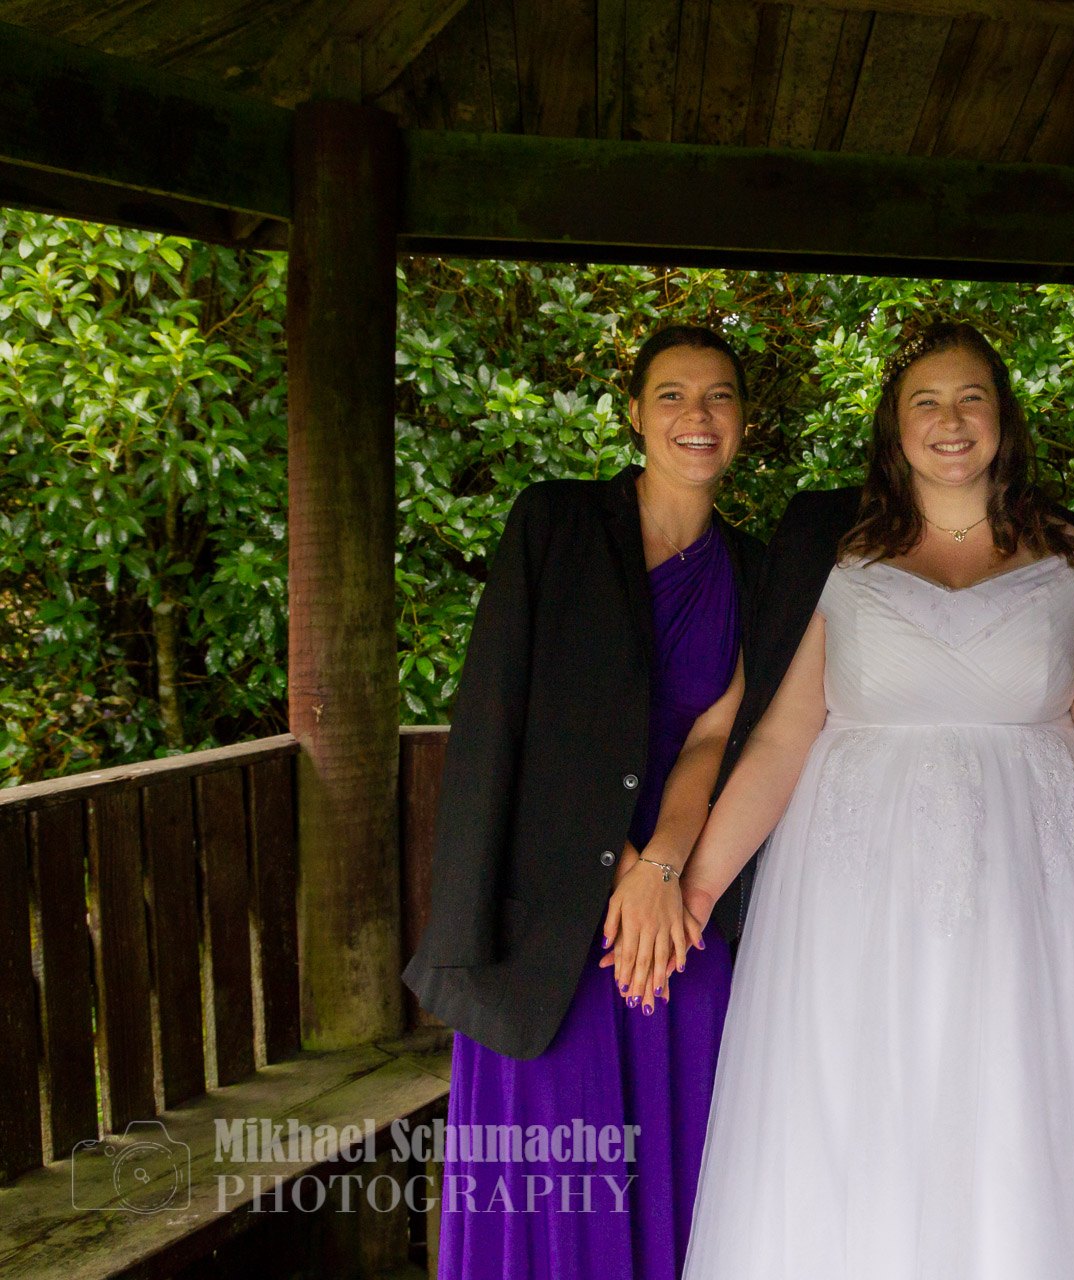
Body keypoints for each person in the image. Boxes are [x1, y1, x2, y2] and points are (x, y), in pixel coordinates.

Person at [639, 321, 1074, 1279]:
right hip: (859, 909)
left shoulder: (1069, 557)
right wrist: (694, 888)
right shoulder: (840, 557)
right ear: (895, 428)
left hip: (1041, 909)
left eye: (971, 398)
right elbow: (775, 740)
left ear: (1003, 419)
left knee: (1034, 1122)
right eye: (925, 402)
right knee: (867, 1125)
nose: (950, 420)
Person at [402, 324, 763, 1279]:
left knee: (688, 1158)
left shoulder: (752, 571)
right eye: (672, 395)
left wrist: (662, 870)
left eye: (718, 396)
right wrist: (600, 881)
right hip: (549, 911)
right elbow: (499, 713)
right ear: (635, 413)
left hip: (676, 906)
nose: (696, 416)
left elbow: (716, 736)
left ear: (744, 421)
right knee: (557, 1185)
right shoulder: (556, 524)